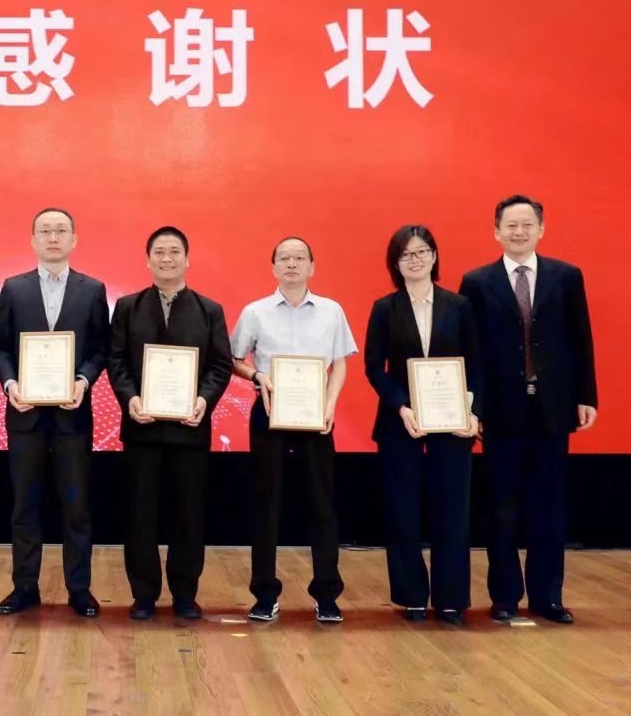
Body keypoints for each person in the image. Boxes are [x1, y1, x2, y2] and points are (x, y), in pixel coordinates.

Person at [459, 195, 597, 624]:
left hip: (552, 408)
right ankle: (504, 596)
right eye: (511, 225)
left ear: (541, 229)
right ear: (496, 231)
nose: (519, 232)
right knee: (501, 508)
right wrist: (472, 407)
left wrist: (586, 395)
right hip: (500, 411)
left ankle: (547, 596)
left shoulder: (566, 276)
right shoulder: (476, 282)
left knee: (549, 506)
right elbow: (469, 351)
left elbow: (581, 339)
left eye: (527, 225)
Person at [107, 227, 233, 620]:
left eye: (174, 251)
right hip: (142, 428)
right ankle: (143, 594)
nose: (167, 258)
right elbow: (116, 361)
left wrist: (203, 400)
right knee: (139, 515)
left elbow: (220, 365)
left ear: (187, 260)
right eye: (159, 252)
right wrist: (130, 398)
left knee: (189, 515)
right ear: (148, 260)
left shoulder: (209, 310)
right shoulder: (127, 307)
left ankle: (185, 594)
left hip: (189, 430)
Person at [230, 237, 357, 623]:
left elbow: (340, 363)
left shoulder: (332, 311)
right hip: (270, 414)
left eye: (299, 258)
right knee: (266, 502)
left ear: (312, 267)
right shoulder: (255, 312)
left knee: (322, 502)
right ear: (273, 267)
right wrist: (258, 376)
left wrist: (331, 405)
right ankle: (264, 593)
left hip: (316, 417)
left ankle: (327, 594)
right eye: (284, 258)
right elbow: (233, 359)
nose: (291, 264)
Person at [0, 207, 111, 617]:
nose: (53, 237)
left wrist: (82, 381)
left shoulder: (92, 289)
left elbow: (100, 349)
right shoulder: (14, 288)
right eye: (45, 231)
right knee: (24, 505)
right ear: (33, 240)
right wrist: (11, 385)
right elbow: (1, 348)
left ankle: (80, 590)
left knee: (76, 507)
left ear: (74, 239)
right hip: (25, 416)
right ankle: (24, 587)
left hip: (72, 416)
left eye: (61, 230)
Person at [363, 225, 481, 625]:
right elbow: (373, 367)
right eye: (405, 255)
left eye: (421, 252)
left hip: (453, 423)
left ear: (433, 256)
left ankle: (451, 599)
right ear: (395, 263)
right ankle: (412, 596)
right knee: (403, 511)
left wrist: (472, 412)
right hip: (401, 424)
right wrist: (401, 406)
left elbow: (476, 364)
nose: (414, 260)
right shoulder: (385, 308)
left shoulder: (460, 306)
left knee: (452, 511)